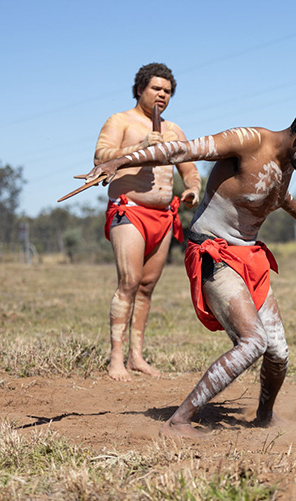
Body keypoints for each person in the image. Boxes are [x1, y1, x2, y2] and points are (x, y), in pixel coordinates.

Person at [82, 91, 296, 437]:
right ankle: (179, 420)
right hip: (213, 252)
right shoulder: (249, 140)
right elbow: (182, 150)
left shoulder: (289, 163)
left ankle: (264, 417)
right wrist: (121, 161)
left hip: (249, 257)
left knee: (278, 353)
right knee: (253, 342)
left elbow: (276, 191)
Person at [94, 63, 202, 381]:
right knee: (128, 283)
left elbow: (190, 169)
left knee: (147, 287)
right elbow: (101, 156)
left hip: (165, 216)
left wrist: (193, 189)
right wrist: (141, 147)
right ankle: (115, 359)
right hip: (129, 211)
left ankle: (136, 357)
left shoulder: (174, 130)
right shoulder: (120, 121)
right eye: (156, 88)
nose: (162, 95)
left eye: (167, 91)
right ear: (140, 89)